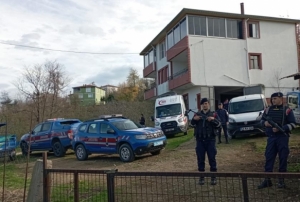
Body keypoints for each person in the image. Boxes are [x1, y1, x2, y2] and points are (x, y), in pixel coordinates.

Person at [257, 92, 296, 189]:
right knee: (269, 157)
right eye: (272, 99)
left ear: (281, 99)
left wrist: (283, 128)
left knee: (283, 158)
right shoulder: (267, 110)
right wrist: (265, 123)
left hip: (282, 137)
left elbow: (293, 124)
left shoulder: (287, 110)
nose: (273, 100)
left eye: (275, 98)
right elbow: (260, 121)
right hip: (271, 137)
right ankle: (267, 179)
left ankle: (281, 180)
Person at [191, 98, 221, 186]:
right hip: (200, 140)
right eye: (203, 104)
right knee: (200, 159)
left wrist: (213, 120)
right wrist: (194, 119)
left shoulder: (214, 114)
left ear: (209, 104)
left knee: (212, 158)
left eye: (206, 103)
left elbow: (219, 124)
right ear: (201, 105)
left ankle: (213, 177)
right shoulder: (197, 114)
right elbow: (191, 124)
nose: (205, 105)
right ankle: (201, 177)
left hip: (210, 140)